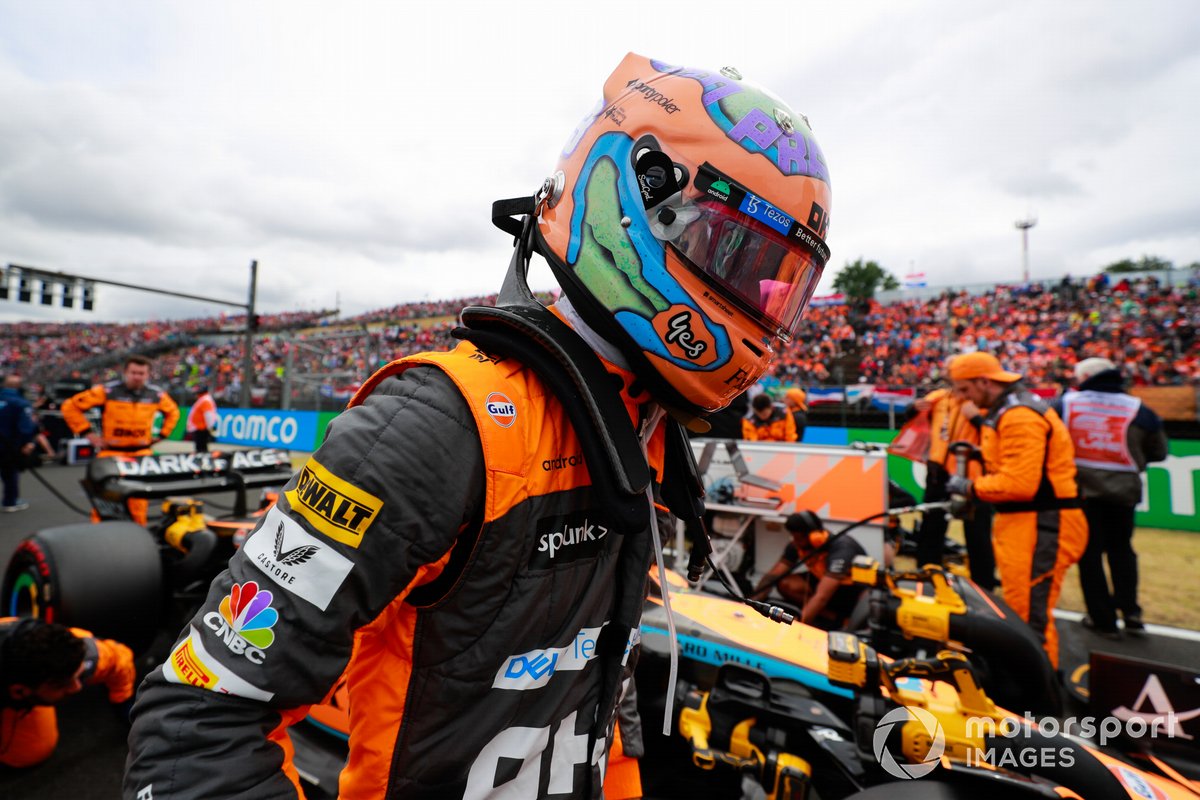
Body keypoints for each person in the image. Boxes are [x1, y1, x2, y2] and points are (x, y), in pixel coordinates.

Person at [125, 52, 833, 799]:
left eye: (780, 280)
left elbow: (602, 675)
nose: (761, 305)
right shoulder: (439, 426)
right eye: (740, 252)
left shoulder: (637, 430)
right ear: (635, 199)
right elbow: (197, 721)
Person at [946, 352, 1087, 668]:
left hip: (1041, 523)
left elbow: (1021, 483)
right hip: (1025, 522)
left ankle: (1038, 695)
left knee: (1028, 616)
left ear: (985, 381)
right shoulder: (1006, 411)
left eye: (964, 390)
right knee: (1018, 606)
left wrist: (970, 487)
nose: (959, 399)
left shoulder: (1019, 415)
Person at [1054, 357, 1167, 637]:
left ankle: (1102, 618)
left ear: (1085, 377)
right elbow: (1159, 451)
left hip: (1081, 492)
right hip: (1123, 493)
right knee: (1122, 550)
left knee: (1089, 554)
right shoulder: (1139, 409)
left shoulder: (1065, 404)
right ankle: (1131, 612)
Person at [0, 617, 135, 768]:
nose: (77, 688)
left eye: (78, 676)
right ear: (19, 691)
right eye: (62, 685)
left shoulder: (78, 651)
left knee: (32, 751)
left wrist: (122, 700)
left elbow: (119, 659)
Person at [61, 355, 179, 524]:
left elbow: (173, 412)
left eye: (141, 373)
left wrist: (162, 435)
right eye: (133, 372)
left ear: (148, 375)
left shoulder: (156, 395)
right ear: (125, 372)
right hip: (110, 454)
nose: (137, 376)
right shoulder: (107, 391)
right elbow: (70, 406)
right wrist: (88, 434)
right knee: (106, 500)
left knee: (139, 500)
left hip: (140, 454)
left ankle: (137, 536)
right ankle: (101, 535)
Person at [911, 371, 996, 590]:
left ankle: (983, 586)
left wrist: (977, 418)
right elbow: (911, 415)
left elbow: (997, 435)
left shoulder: (984, 402)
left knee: (978, 532)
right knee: (932, 526)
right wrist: (913, 407)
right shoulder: (938, 397)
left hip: (974, 475)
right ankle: (926, 575)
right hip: (938, 470)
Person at [749, 511, 869, 629]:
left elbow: (822, 596)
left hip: (848, 593)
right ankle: (824, 614)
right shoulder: (798, 544)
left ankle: (839, 619)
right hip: (821, 581)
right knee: (785, 583)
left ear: (814, 537)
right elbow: (775, 574)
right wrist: (752, 603)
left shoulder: (842, 549)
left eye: (798, 538)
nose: (795, 542)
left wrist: (796, 625)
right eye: (793, 536)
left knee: (818, 600)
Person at [0, 373, 38, 512]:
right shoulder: (20, 403)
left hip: (6, 443)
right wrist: (28, 442)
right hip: (9, 445)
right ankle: (10, 502)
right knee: (10, 474)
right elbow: (26, 426)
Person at [185, 383, 219, 453]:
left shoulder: (205, 400)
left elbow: (208, 415)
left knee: (201, 448)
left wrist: (210, 428)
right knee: (200, 447)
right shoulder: (203, 399)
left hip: (202, 428)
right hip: (199, 427)